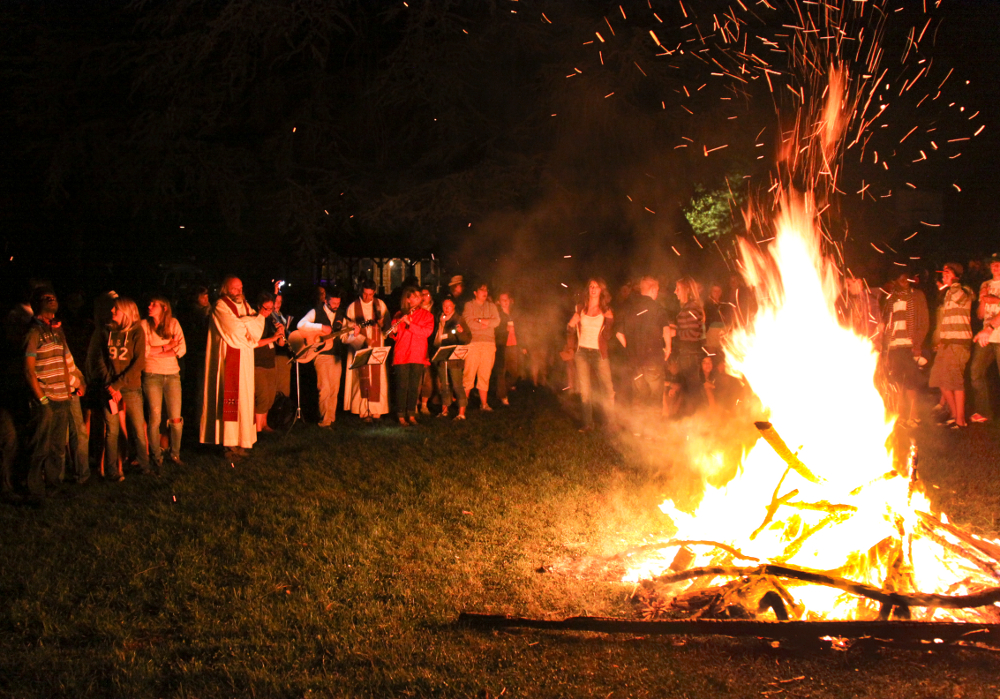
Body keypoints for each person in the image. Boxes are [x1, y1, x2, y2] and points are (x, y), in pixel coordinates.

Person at [23, 286, 82, 501]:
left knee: (57, 447)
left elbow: (66, 361)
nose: (51, 300)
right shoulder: (33, 332)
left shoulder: (57, 331)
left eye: (54, 297)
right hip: (45, 398)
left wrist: (73, 385)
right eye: (45, 298)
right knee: (40, 445)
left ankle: (54, 486)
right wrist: (42, 399)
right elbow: (29, 370)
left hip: (62, 397)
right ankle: (35, 491)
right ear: (36, 303)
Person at [200, 276, 266, 457]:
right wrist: (249, 323)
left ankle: (242, 440)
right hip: (227, 358)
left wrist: (246, 323)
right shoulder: (221, 306)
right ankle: (228, 443)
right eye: (235, 288)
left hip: (244, 357)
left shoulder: (245, 306)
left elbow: (258, 329)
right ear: (226, 289)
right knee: (229, 400)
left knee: (244, 399)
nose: (239, 291)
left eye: (241, 287)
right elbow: (237, 333)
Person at [87, 296, 152, 480]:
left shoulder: (137, 331)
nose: (112, 312)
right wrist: (110, 385)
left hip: (130, 387)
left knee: (138, 428)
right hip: (110, 388)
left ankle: (144, 465)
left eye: (116, 309)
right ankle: (111, 470)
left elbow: (138, 362)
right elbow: (99, 359)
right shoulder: (106, 331)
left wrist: (118, 384)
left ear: (126, 312)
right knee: (112, 429)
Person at [142, 294, 187, 466]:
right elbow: (144, 351)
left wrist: (159, 351)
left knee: (175, 418)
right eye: (150, 303)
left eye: (154, 304)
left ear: (164, 308)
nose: (150, 306)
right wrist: (167, 346)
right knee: (155, 418)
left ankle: (175, 454)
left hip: (172, 374)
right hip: (152, 374)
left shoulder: (173, 323)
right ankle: (156, 456)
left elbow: (181, 348)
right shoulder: (144, 325)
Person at [881, 270, 929, 427]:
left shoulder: (916, 295)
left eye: (905, 277)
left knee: (911, 382)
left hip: (909, 346)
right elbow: (888, 323)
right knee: (897, 383)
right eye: (899, 277)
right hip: (894, 347)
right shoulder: (890, 298)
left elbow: (924, 321)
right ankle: (900, 415)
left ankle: (914, 415)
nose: (903, 279)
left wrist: (917, 345)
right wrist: (887, 349)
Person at [616, 276, 671, 412]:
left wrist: (630, 348)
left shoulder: (630, 308)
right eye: (657, 290)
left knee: (639, 397)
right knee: (655, 397)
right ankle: (652, 431)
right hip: (653, 360)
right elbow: (666, 329)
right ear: (652, 290)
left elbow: (618, 334)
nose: (657, 293)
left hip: (635, 361)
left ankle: (637, 431)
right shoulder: (657, 307)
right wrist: (668, 347)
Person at [929, 263, 973, 429]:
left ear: (956, 275)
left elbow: (961, 298)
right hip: (947, 343)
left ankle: (961, 421)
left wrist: (952, 283)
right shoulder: (948, 293)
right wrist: (941, 339)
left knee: (956, 382)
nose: (943, 275)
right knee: (940, 378)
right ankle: (954, 415)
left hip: (959, 342)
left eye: (946, 272)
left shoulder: (965, 291)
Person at [297, 286, 348, 427]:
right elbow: (300, 324)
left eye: (338, 303)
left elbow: (343, 336)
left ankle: (330, 418)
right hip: (321, 354)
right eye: (333, 303)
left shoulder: (340, 314)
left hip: (336, 354)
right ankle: (324, 421)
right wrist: (320, 327)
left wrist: (352, 333)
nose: (336, 306)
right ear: (326, 300)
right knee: (324, 387)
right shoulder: (316, 311)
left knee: (334, 388)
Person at [567, 278, 615, 431]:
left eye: (596, 287)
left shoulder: (606, 310)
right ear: (588, 289)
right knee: (585, 390)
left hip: (599, 353)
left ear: (602, 290)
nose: (593, 289)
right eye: (591, 286)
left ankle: (609, 422)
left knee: (607, 388)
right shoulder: (580, 308)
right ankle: (588, 423)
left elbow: (607, 336)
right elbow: (570, 331)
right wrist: (570, 324)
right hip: (582, 353)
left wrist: (609, 321)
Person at [344, 280, 390, 421]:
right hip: (360, 347)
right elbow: (346, 330)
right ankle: (363, 410)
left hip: (377, 345)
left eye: (370, 294)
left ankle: (377, 410)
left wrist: (382, 323)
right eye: (365, 294)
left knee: (378, 378)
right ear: (361, 291)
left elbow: (387, 327)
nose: (367, 297)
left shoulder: (380, 304)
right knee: (361, 379)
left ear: (374, 292)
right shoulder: (352, 307)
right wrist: (359, 337)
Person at [389, 288, 434, 425]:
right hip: (402, 353)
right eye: (414, 297)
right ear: (408, 299)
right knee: (402, 386)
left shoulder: (427, 315)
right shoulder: (399, 314)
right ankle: (401, 415)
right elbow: (395, 336)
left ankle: (411, 414)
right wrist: (394, 331)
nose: (417, 299)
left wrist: (410, 323)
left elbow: (426, 332)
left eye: (419, 296)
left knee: (414, 386)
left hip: (417, 354)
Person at [970, 254, 1000, 423]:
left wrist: (990, 328)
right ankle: (984, 411)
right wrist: (983, 299)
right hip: (985, 336)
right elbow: (980, 315)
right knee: (976, 372)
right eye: (993, 264)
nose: (995, 267)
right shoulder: (985, 284)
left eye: (998, 264)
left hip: (995, 333)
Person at [462, 283, 501, 410]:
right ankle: (463, 404)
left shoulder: (491, 306)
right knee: (469, 373)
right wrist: (485, 323)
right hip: (473, 343)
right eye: (481, 290)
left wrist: (479, 320)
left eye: (486, 290)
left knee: (485, 374)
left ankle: (484, 404)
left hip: (489, 343)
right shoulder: (469, 305)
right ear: (475, 292)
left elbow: (497, 321)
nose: (485, 292)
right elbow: (469, 323)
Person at [433, 298, 472, 419]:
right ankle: (445, 410)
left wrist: (460, 332)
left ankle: (461, 413)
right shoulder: (439, 319)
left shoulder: (458, 319)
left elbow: (467, 339)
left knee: (456, 384)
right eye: (444, 306)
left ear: (454, 306)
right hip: (441, 355)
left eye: (449, 306)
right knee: (444, 384)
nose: (446, 308)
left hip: (454, 358)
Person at [253, 292, 284, 433]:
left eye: (271, 308)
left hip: (270, 362)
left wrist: (281, 332)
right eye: (267, 308)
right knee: (262, 396)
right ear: (259, 307)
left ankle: (264, 424)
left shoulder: (271, 321)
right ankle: (257, 427)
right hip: (258, 363)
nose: (269, 311)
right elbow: (253, 343)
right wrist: (272, 338)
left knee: (271, 396)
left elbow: (281, 344)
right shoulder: (254, 320)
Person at [671, 276, 706, 393]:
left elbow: (694, 333)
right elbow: (689, 327)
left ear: (687, 290)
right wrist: (673, 327)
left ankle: (696, 410)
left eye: (678, 289)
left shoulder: (692, 307)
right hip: (687, 354)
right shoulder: (687, 307)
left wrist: (675, 332)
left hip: (691, 355)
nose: (675, 292)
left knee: (692, 388)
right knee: (689, 387)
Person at [494, 292, 524, 407]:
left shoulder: (513, 313)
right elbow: (495, 329)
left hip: (514, 345)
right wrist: (504, 329)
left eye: (506, 299)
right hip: (503, 345)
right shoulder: (498, 314)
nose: (505, 301)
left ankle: (503, 389)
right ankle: (502, 396)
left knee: (514, 372)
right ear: (499, 302)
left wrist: (522, 345)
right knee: (501, 371)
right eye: (502, 299)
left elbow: (520, 329)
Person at [417, 287, 437, 415]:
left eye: (426, 294)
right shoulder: (415, 310)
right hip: (418, 345)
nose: (424, 297)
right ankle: (414, 403)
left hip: (431, 346)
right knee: (418, 376)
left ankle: (424, 404)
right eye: (422, 295)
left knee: (428, 377)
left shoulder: (435, 310)